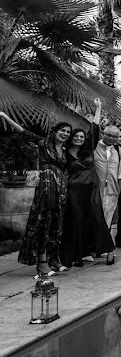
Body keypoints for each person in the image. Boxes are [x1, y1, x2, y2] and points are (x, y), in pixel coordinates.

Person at [1, 113, 70, 276]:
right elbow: (23, 132)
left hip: (60, 189)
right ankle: (42, 263)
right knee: (43, 223)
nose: (65, 134)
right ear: (55, 131)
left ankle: (53, 259)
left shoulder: (64, 150)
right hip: (46, 189)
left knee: (56, 224)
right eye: (63, 130)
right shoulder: (45, 143)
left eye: (68, 132)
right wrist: (5, 117)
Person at [62, 103, 115, 267]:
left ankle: (108, 250)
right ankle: (80, 254)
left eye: (81, 137)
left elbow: (94, 129)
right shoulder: (64, 153)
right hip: (74, 191)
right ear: (72, 138)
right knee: (77, 221)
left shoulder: (88, 150)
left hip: (91, 189)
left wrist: (98, 109)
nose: (79, 138)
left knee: (97, 218)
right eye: (76, 136)